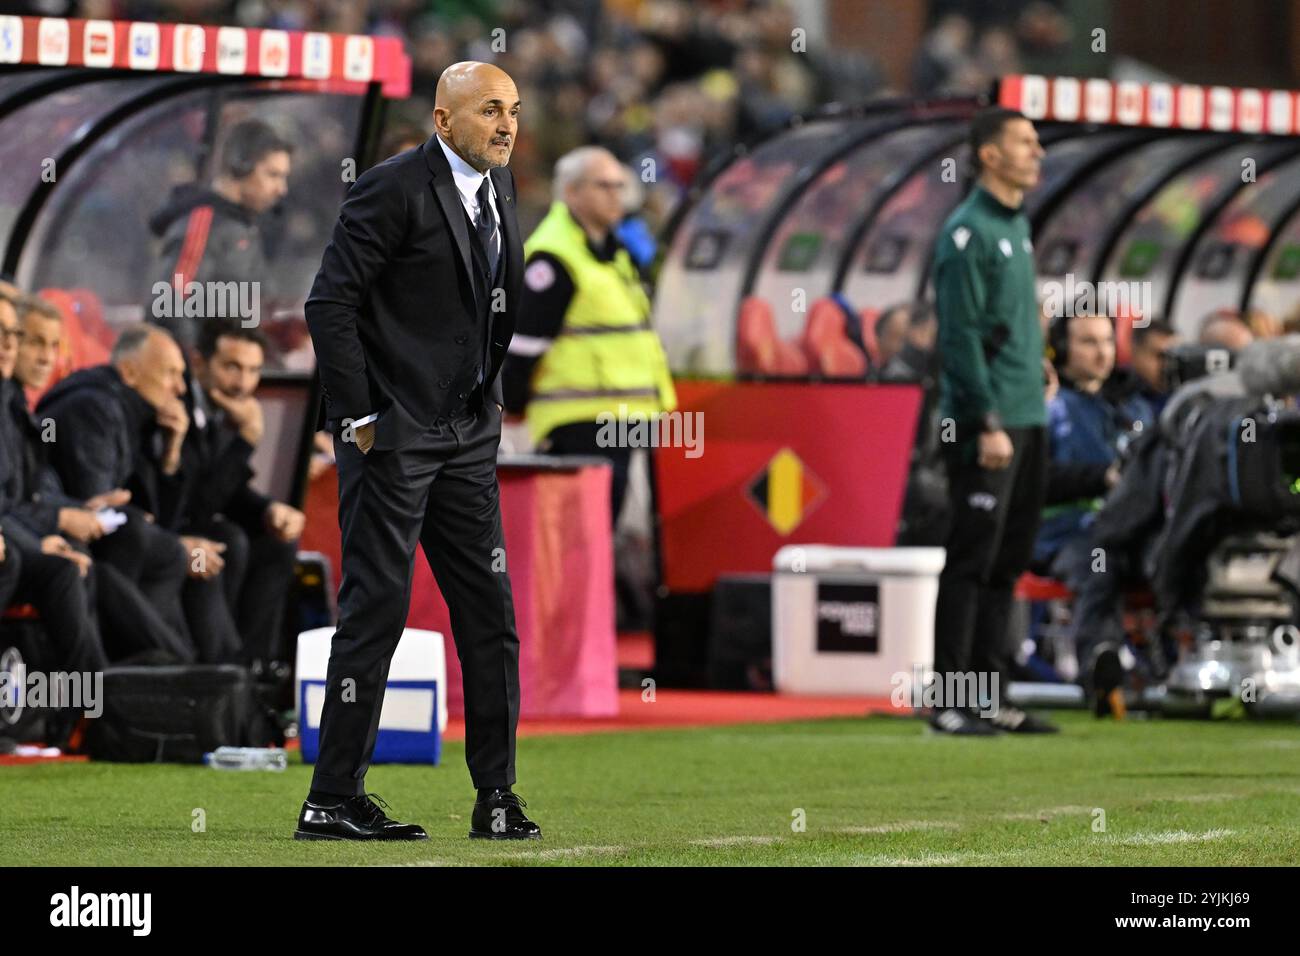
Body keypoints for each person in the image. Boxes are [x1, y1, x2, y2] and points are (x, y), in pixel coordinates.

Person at [301, 61, 538, 841]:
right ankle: (332, 799)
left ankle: (496, 798)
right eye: (488, 112)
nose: (506, 125)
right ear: (443, 122)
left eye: (512, 111)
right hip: (394, 435)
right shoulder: (391, 188)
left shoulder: (500, 186)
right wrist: (360, 414)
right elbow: (329, 302)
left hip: (468, 434)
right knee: (376, 610)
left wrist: (489, 402)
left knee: (490, 615)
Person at [930, 107, 1055, 735]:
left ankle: (990, 695)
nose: (1038, 152)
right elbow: (959, 338)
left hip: (1026, 416)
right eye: (1025, 142)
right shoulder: (967, 232)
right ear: (989, 155)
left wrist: (1040, 369)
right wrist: (985, 420)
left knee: (1007, 564)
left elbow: (1007, 326)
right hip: (990, 424)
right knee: (970, 560)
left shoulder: (1014, 225)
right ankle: (949, 701)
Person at [37, 324, 237, 663]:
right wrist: (174, 543)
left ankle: (222, 674)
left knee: (218, 545)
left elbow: (163, 517)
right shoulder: (94, 407)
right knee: (162, 548)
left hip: (116, 538)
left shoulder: (138, 414)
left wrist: (171, 455)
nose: (179, 387)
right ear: (130, 372)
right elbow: (100, 508)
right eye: (171, 374)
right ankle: (179, 672)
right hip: (73, 537)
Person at [501, 145, 677, 527]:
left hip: (624, 419)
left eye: (620, 186)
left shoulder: (614, 254)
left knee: (608, 537)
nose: (617, 195)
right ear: (571, 192)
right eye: (604, 186)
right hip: (580, 423)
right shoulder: (553, 258)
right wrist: (510, 404)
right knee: (583, 535)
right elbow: (524, 345)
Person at [1033, 313, 1154, 709]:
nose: (1101, 352)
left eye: (1106, 341)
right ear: (1061, 348)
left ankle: (1179, 666)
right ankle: (1100, 664)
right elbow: (1032, 479)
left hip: (1133, 529)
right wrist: (1100, 478)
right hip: (1067, 531)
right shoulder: (1048, 404)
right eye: (1088, 342)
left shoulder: (1137, 407)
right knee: (1099, 566)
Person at [174, 318, 303, 668]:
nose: (243, 382)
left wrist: (268, 510)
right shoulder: (177, 406)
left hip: (194, 524)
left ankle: (254, 667)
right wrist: (247, 440)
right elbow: (196, 507)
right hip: (166, 531)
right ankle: (221, 670)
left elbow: (227, 490)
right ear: (199, 361)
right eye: (232, 367)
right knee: (229, 538)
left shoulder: (222, 410)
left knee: (278, 541)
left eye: (253, 370)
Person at [0, 287, 107, 677]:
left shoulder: (17, 404)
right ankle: (97, 701)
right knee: (63, 569)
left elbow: (28, 491)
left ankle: (90, 700)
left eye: (14, 336)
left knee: (83, 557)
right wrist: (47, 530)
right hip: (11, 540)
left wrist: (66, 513)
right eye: (35, 342)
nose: (47, 357)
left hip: (16, 534)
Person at [146, 119, 292, 351]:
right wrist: (198, 373)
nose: (281, 189)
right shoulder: (203, 223)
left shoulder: (243, 225)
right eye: (273, 175)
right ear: (240, 166)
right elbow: (169, 306)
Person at [1127, 318, 1178, 417]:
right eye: (1160, 356)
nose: (1168, 365)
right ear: (1135, 352)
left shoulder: (1182, 397)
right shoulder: (1118, 399)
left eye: (1175, 357)